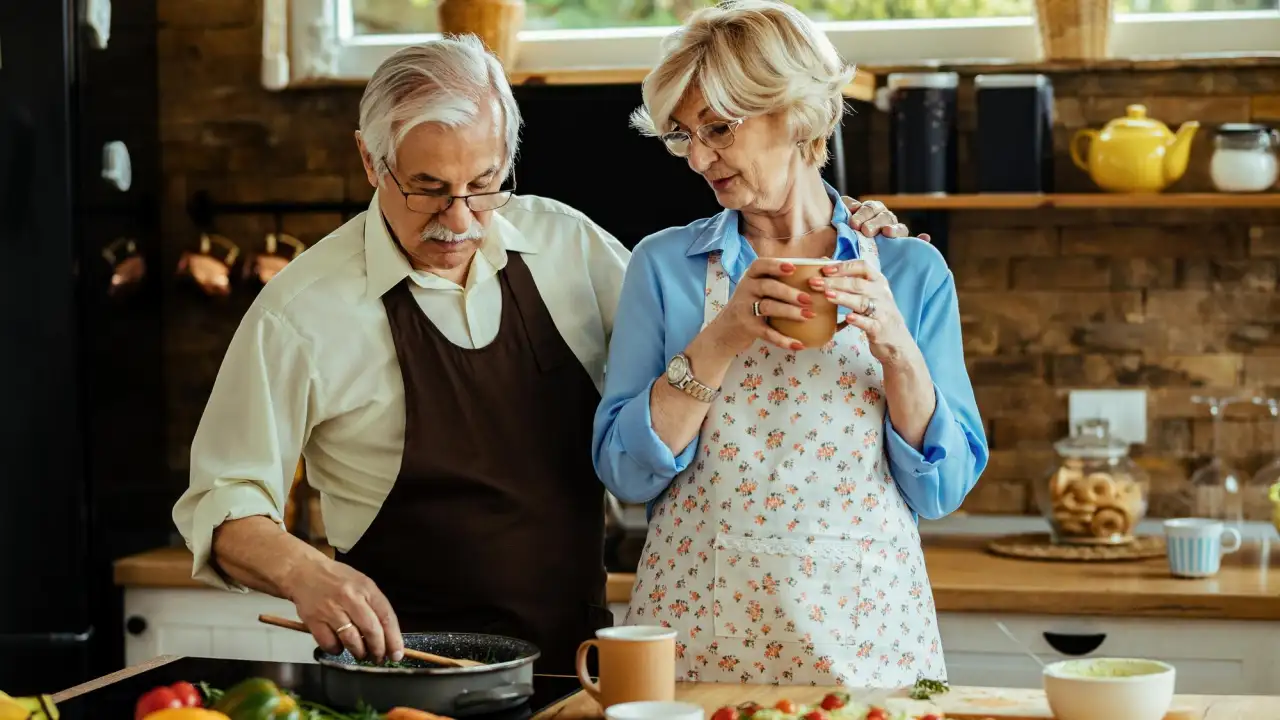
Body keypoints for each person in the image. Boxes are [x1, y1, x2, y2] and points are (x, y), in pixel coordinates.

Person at [171, 33, 915, 674]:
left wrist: (841, 224)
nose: (460, 219)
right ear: (371, 162)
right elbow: (221, 502)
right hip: (402, 677)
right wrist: (305, 570)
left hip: (575, 669)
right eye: (428, 189)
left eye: (485, 184)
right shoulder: (302, 312)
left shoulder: (569, 246)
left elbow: (707, 342)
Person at [592, 0, 989, 688]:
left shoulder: (908, 270)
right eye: (683, 135)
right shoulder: (664, 266)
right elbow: (625, 474)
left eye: (718, 128)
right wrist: (721, 338)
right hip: (701, 639)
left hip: (867, 642)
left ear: (799, 114)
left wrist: (898, 350)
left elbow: (943, 489)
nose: (699, 159)